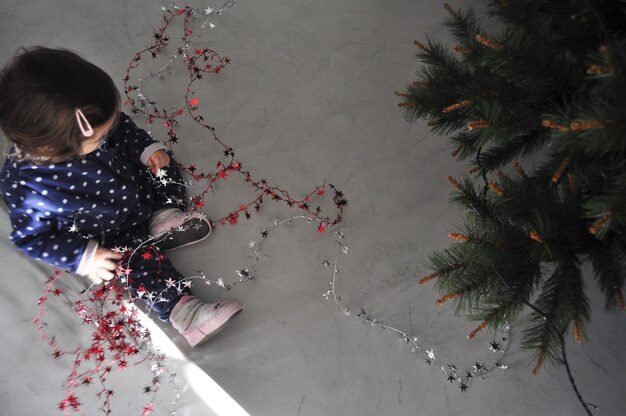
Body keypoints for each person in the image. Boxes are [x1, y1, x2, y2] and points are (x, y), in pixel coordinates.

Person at [0, 46, 243, 347]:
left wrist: (145, 148)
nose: (106, 134)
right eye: (98, 138)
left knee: (163, 166)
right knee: (134, 265)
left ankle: (165, 216)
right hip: (107, 233)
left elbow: (121, 129)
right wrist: (84, 257)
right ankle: (186, 312)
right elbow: (31, 238)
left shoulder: (89, 118)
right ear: (55, 150)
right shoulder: (26, 187)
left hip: (136, 186)